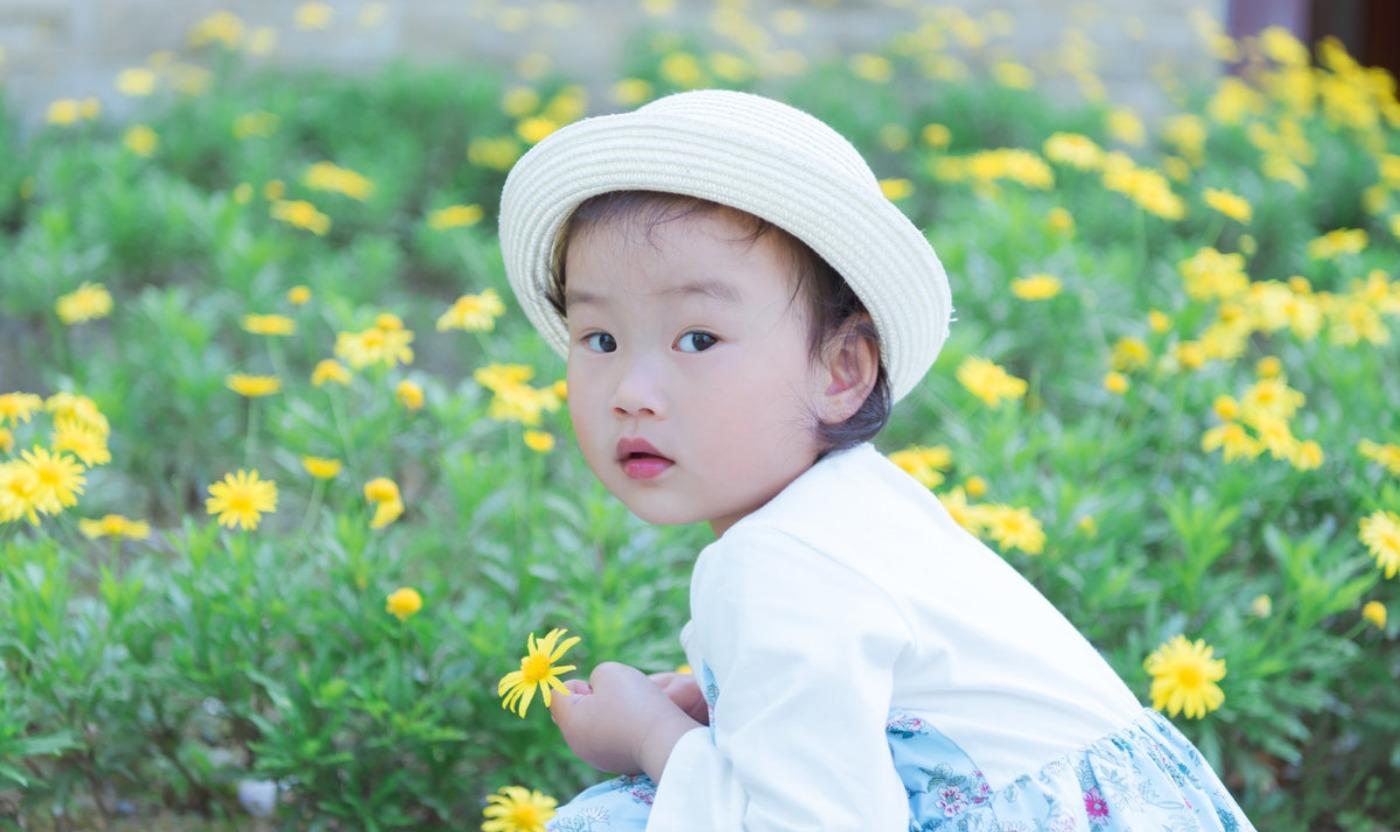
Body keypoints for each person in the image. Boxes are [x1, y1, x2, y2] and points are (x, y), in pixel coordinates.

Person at [495, 88, 1255, 831]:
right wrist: (729, 702)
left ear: (841, 370)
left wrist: (653, 738)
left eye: (697, 339)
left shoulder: (777, 562)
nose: (631, 393)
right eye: (600, 339)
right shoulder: (858, 507)